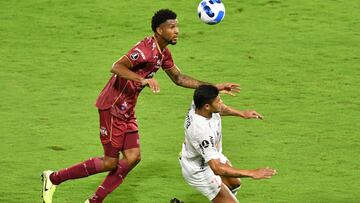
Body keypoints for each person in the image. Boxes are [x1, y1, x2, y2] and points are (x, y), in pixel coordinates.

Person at [42, 9, 240, 203]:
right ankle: (53, 178)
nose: (177, 31)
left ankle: (94, 201)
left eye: (177, 26)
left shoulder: (163, 53)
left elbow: (178, 78)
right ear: (159, 30)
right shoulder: (145, 50)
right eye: (171, 27)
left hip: (127, 109)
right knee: (110, 162)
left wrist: (214, 87)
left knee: (133, 157)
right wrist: (142, 80)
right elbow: (116, 66)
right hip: (112, 107)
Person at [179, 85, 277, 203]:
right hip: (199, 169)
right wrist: (252, 173)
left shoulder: (198, 104)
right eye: (218, 100)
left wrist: (242, 113)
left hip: (210, 156)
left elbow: (219, 108)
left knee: (234, 184)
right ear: (207, 106)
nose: (222, 101)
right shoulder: (201, 131)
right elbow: (217, 168)